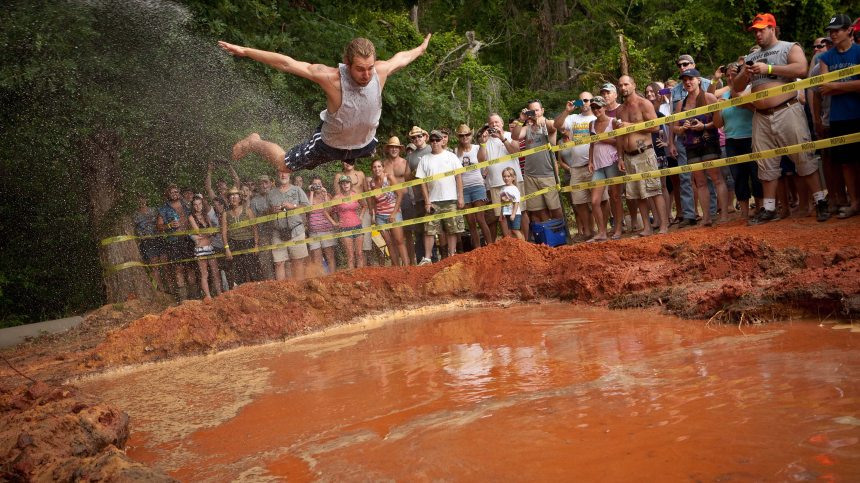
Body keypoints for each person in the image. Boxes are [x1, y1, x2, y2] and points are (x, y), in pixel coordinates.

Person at [220, 35, 432, 172]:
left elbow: (402, 57)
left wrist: (420, 49)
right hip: (329, 144)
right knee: (283, 166)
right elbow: (286, 63)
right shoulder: (331, 78)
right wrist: (246, 51)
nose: (366, 74)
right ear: (347, 63)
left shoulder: (380, 71)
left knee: (368, 148)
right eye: (360, 69)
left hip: (364, 144)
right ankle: (255, 142)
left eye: (369, 67)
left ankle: (356, 152)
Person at [733, 13, 831, 224]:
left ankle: (821, 201)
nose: (758, 34)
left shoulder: (788, 47)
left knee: (803, 157)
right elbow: (737, 89)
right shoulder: (752, 56)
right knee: (765, 162)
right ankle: (769, 209)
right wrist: (745, 74)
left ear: (772, 29)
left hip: (787, 109)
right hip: (760, 116)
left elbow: (801, 69)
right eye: (755, 31)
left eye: (762, 29)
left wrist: (769, 68)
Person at [673, 68, 730, 227]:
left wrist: (704, 126)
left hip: (708, 142)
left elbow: (719, 123)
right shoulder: (680, 104)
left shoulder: (708, 97)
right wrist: (683, 128)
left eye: (690, 79)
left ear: (699, 80)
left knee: (716, 178)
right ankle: (706, 218)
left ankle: (724, 215)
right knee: (700, 182)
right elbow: (675, 129)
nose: (687, 82)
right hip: (690, 145)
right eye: (684, 80)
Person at [616, 75, 670, 237]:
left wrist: (630, 126)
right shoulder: (620, 110)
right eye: (620, 85)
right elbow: (619, 135)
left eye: (626, 84)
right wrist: (620, 157)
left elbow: (655, 127)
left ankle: (664, 226)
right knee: (638, 193)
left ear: (633, 85)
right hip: (628, 156)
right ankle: (647, 228)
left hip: (644, 152)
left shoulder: (644, 103)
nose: (623, 88)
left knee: (654, 190)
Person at [819, 14, 860, 220]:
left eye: (837, 30)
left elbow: (832, 86)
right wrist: (849, 86)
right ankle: (853, 203)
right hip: (838, 117)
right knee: (845, 163)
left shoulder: (859, 52)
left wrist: (836, 85)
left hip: (857, 113)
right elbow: (824, 89)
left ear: (849, 30)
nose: (832, 34)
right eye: (830, 31)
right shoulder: (825, 57)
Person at [668, 55, 717, 228]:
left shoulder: (705, 85)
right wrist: (671, 141)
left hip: (706, 137)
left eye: (685, 64)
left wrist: (704, 126)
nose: (682, 67)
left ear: (694, 66)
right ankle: (689, 215)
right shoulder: (675, 91)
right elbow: (672, 119)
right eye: (679, 65)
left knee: (711, 177)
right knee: (685, 177)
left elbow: (717, 115)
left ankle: (712, 213)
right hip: (684, 140)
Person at [713, 63, 763, 220]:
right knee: (738, 177)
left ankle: (761, 209)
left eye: (734, 75)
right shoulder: (724, 95)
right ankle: (744, 213)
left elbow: (757, 110)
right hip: (731, 141)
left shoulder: (750, 90)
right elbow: (718, 124)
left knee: (756, 175)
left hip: (751, 138)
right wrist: (717, 108)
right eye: (728, 75)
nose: (730, 78)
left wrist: (742, 101)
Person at [554, 92, 603, 242]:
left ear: (592, 101)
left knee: (602, 200)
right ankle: (588, 232)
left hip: (595, 164)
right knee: (579, 201)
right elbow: (557, 125)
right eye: (581, 101)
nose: (584, 104)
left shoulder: (597, 116)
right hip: (575, 167)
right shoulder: (573, 118)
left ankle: (602, 231)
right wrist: (567, 110)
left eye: (586, 100)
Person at [415, 130, 465, 265]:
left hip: (451, 198)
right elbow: (422, 182)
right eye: (432, 140)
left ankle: (452, 254)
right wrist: (426, 201)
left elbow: (458, 177)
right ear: (429, 142)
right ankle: (427, 258)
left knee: (452, 229)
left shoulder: (451, 156)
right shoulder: (424, 159)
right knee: (429, 230)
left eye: (437, 140)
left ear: (442, 141)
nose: (435, 142)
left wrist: (461, 197)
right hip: (433, 201)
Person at [511, 100, 562, 224]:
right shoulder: (526, 128)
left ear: (542, 110)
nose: (534, 114)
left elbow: (554, 126)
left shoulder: (547, 124)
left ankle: (562, 232)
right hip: (531, 175)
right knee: (540, 210)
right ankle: (550, 233)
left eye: (536, 110)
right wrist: (520, 120)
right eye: (531, 111)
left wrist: (543, 120)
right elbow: (515, 136)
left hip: (548, 174)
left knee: (555, 207)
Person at [477, 114, 526, 241]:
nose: (494, 125)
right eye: (491, 123)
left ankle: (527, 240)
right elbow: (481, 160)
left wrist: (502, 138)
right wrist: (483, 143)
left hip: (515, 181)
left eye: (496, 122)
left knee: (522, 211)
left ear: (502, 123)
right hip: (496, 182)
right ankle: (508, 242)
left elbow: (515, 151)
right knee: (502, 215)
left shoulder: (511, 135)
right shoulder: (485, 140)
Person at [586, 96, 625, 243]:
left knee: (616, 197)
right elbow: (591, 143)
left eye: (599, 107)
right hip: (598, 165)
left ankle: (618, 229)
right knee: (595, 201)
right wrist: (590, 161)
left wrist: (604, 139)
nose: (596, 110)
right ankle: (601, 232)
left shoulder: (613, 121)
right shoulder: (591, 124)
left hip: (612, 161)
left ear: (605, 108)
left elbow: (619, 141)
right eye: (594, 108)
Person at [156, 184, 198, 301]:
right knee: (178, 268)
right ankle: (183, 298)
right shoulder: (164, 209)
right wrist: (169, 225)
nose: (174, 194)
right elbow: (158, 227)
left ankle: (194, 297)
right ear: (167, 194)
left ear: (179, 192)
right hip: (173, 240)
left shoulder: (187, 205)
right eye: (171, 192)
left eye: (176, 192)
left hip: (188, 238)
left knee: (190, 266)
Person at [454, 124, 492, 249]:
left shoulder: (477, 147)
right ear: (459, 137)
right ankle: (477, 249)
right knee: (470, 222)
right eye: (462, 135)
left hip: (477, 185)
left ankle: (490, 246)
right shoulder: (455, 151)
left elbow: (484, 161)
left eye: (467, 134)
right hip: (463, 188)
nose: (464, 137)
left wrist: (484, 176)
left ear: (471, 135)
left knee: (480, 219)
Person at [267, 171, 309, 281]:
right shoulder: (271, 193)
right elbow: (265, 213)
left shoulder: (297, 190)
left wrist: (294, 206)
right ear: (277, 175)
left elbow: (307, 207)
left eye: (285, 173)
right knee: (279, 262)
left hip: (296, 230)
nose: (283, 175)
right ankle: (282, 290)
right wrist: (272, 210)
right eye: (280, 173)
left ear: (289, 175)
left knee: (297, 261)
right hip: (277, 232)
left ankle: (299, 287)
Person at [381, 136, 416, 264]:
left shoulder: (405, 163)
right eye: (391, 147)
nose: (394, 149)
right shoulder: (383, 165)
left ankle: (411, 262)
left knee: (407, 233)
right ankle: (396, 264)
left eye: (396, 147)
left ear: (399, 149)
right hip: (389, 201)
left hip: (405, 199)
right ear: (388, 148)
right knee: (393, 236)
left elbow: (411, 182)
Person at [368, 159, 408, 266]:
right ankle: (396, 266)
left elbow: (399, 195)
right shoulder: (372, 183)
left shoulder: (389, 177)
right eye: (374, 167)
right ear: (372, 169)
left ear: (383, 168)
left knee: (399, 241)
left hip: (393, 213)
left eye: (379, 166)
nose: (377, 169)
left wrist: (394, 213)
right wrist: (376, 214)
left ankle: (407, 267)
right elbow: (374, 200)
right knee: (389, 243)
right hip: (380, 216)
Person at [644, 83, 675, 223]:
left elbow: (672, 125)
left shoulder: (658, 113)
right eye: (646, 92)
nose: (648, 95)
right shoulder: (638, 117)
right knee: (650, 189)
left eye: (651, 92)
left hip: (659, 152)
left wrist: (668, 142)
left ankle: (668, 216)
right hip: (645, 154)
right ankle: (656, 220)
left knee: (663, 187)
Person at [334, 159, 373, 265]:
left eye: (350, 161)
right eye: (345, 161)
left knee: (366, 245)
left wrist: (371, 212)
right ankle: (354, 274)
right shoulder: (338, 176)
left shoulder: (360, 174)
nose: (348, 163)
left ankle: (369, 271)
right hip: (346, 214)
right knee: (351, 253)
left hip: (362, 212)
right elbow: (337, 202)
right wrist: (337, 221)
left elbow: (367, 193)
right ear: (342, 163)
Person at [325, 175, 366, 270]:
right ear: (340, 185)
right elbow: (325, 211)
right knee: (350, 256)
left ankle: (361, 277)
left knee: (359, 254)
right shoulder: (336, 197)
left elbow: (364, 206)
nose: (345, 184)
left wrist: (360, 216)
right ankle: (351, 280)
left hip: (357, 226)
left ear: (350, 184)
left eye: (347, 182)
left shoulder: (355, 195)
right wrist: (334, 223)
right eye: (343, 183)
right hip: (344, 228)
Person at [188, 196, 223, 301]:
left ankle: (219, 294)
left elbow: (212, 232)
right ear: (193, 206)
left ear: (202, 205)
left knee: (215, 272)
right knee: (204, 273)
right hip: (200, 248)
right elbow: (198, 231)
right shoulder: (191, 217)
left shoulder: (206, 216)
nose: (198, 206)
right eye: (196, 204)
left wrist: (198, 235)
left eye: (200, 204)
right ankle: (208, 296)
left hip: (210, 246)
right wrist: (195, 235)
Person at [224, 187, 259, 284]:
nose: (234, 198)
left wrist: (256, 244)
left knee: (253, 271)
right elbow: (224, 232)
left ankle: (257, 292)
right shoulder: (225, 214)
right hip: (234, 244)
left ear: (240, 198)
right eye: (231, 196)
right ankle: (243, 295)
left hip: (248, 242)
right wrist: (227, 248)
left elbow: (255, 228)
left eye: (236, 196)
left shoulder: (247, 210)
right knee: (239, 272)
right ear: (228, 199)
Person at [406, 126, 431, 260]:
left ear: (425, 137)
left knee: (437, 228)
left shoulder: (432, 149)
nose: (417, 139)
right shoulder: (410, 157)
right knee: (420, 229)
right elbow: (408, 178)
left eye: (419, 136)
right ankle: (422, 258)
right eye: (414, 137)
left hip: (436, 194)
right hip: (420, 197)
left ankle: (439, 258)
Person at [305, 175, 338, 274]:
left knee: (330, 257)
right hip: (314, 232)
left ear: (322, 185)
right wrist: (311, 193)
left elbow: (329, 210)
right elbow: (308, 210)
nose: (317, 186)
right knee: (317, 259)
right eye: (314, 184)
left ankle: (332, 278)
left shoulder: (327, 196)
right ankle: (320, 279)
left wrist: (325, 195)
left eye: (319, 184)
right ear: (311, 185)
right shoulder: (307, 196)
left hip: (327, 230)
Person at [134, 193, 166, 293]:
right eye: (139, 199)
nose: (141, 200)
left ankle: (171, 289)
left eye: (143, 197)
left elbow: (161, 222)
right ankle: (161, 290)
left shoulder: (153, 210)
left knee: (166, 264)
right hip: (147, 241)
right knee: (155, 266)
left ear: (146, 199)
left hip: (159, 239)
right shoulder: (135, 215)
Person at [250, 174, 276, 281]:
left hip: (278, 233)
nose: (264, 186)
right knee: (266, 263)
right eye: (262, 183)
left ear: (270, 184)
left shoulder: (277, 196)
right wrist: (257, 239)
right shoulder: (254, 201)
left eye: (266, 183)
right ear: (258, 186)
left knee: (281, 261)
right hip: (263, 236)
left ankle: (285, 285)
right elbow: (253, 223)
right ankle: (271, 286)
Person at [207, 196, 233, 290]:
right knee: (218, 270)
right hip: (216, 246)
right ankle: (221, 291)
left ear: (223, 204)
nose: (217, 207)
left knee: (230, 270)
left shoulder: (229, 214)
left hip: (228, 244)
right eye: (215, 205)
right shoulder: (211, 216)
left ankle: (231, 289)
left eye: (219, 204)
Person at [499, 167, 524, 240]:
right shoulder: (502, 189)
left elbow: (516, 202)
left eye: (508, 176)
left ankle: (522, 244)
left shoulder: (514, 189)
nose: (506, 178)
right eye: (504, 176)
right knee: (510, 230)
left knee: (515, 230)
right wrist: (501, 214)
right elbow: (502, 203)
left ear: (513, 177)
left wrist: (513, 214)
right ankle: (514, 245)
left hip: (515, 213)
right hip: (507, 212)